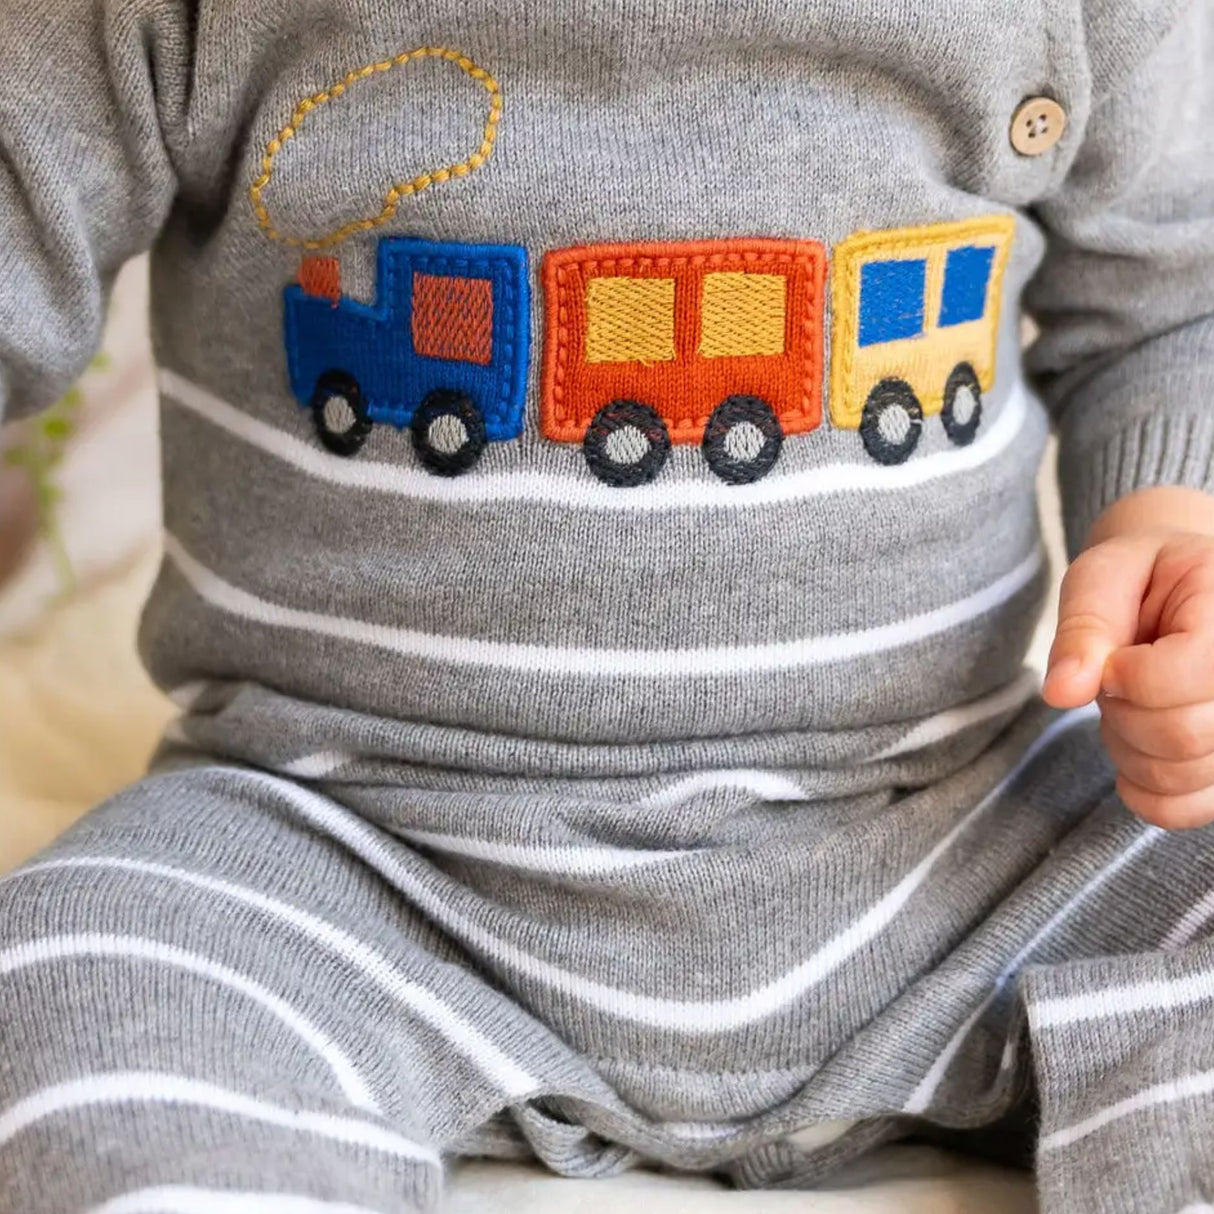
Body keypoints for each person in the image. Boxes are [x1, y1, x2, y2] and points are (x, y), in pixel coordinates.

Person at [1, 2, 1212, 1210]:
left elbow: (1169, 306)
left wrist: (1170, 531)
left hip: (966, 838)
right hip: (343, 843)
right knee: (74, 988)